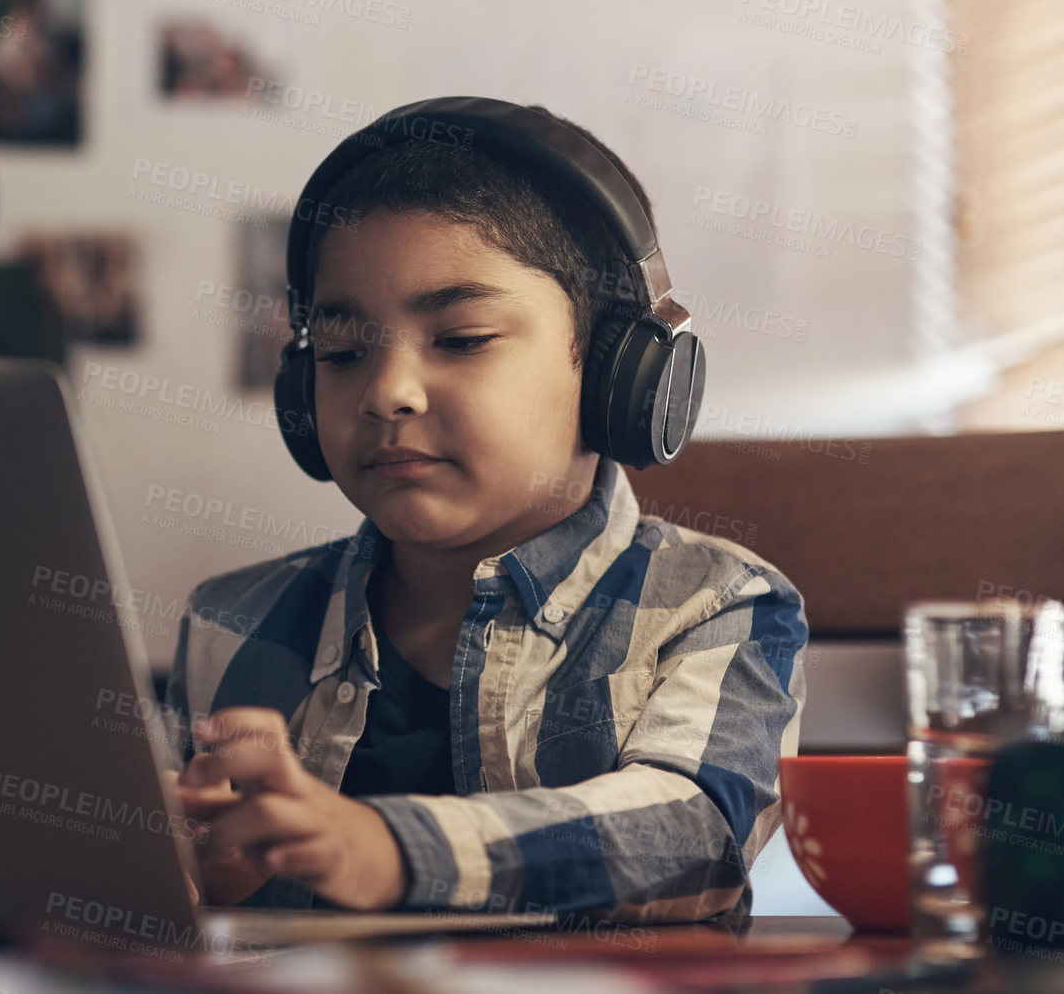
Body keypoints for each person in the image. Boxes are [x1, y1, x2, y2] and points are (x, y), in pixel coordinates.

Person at [160, 100, 808, 922]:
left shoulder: (717, 607)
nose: (387, 392)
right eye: (342, 352)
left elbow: (691, 835)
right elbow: (175, 894)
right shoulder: (228, 622)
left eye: (461, 338)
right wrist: (173, 877)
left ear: (619, 378)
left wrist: (383, 847)